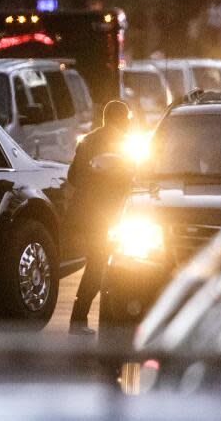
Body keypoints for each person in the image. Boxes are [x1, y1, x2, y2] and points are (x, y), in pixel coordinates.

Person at [68, 100, 134, 335]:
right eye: (126, 119)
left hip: (86, 213)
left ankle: (82, 320)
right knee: (98, 268)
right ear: (119, 119)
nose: (128, 124)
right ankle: (78, 321)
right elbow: (128, 178)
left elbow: (72, 177)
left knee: (99, 266)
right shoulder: (119, 143)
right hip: (103, 216)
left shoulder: (88, 140)